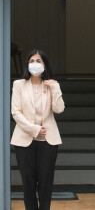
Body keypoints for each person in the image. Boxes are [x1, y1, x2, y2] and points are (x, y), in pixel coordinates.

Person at [11, 49, 65, 210]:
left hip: (48, 141)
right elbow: (16, 112)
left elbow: (59, 109)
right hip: (24, 140)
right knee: (28, 181)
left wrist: (55, 88)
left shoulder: (51, 85)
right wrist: (34, 129)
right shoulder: (18, 85)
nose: (35, 64)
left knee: (46, 181)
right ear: (27, 64)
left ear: (45, 65)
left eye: (39, 61)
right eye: (31, 61)